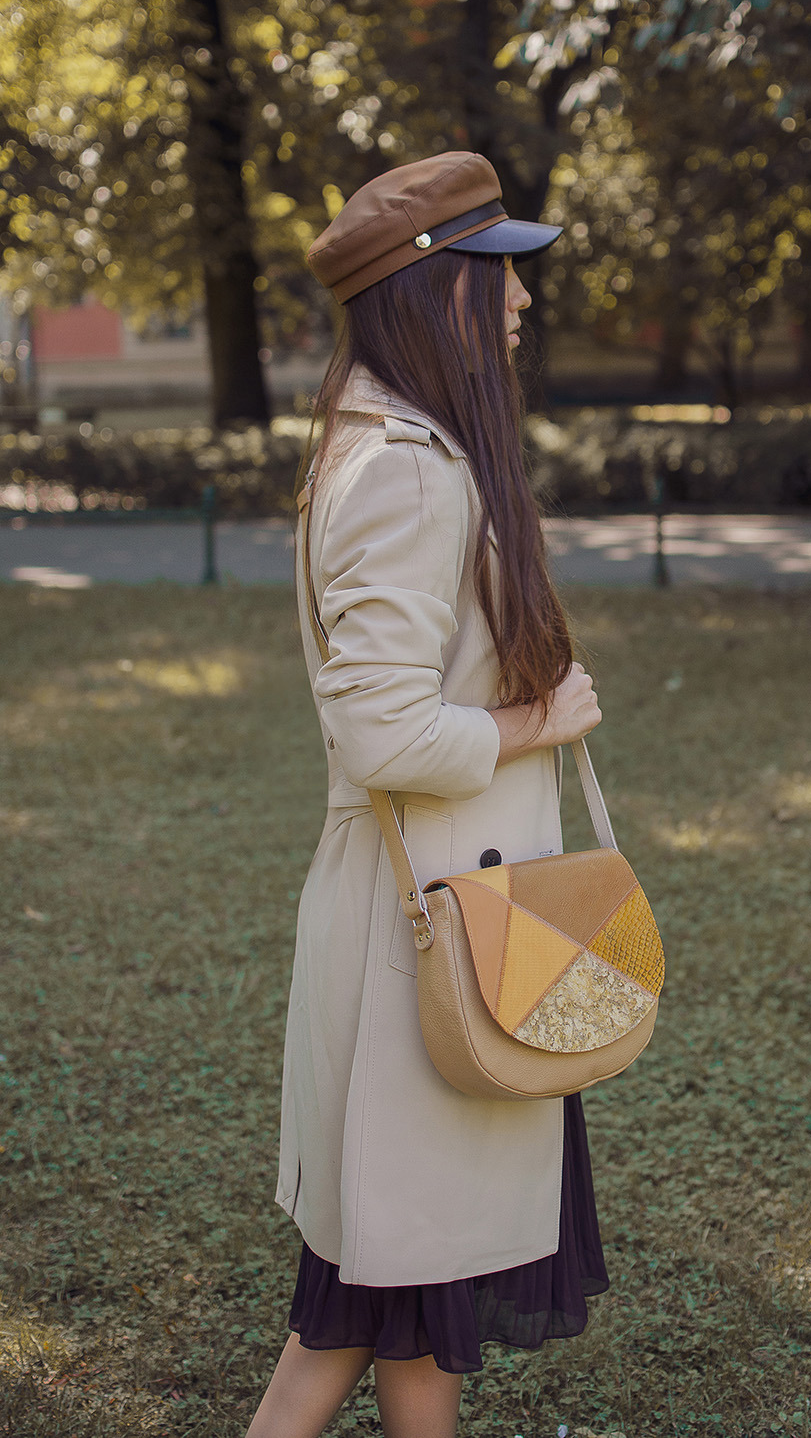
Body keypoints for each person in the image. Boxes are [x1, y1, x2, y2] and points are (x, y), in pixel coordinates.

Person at [246, 152, 607, 1438]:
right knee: (364, 1314)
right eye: (498, 271)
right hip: (432, 948)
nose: (520, 300)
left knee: (393, 1322)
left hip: (454, 929)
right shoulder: (403, 466)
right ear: (431, 289)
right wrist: (538, 719)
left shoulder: (400, 443)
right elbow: (381, 729)